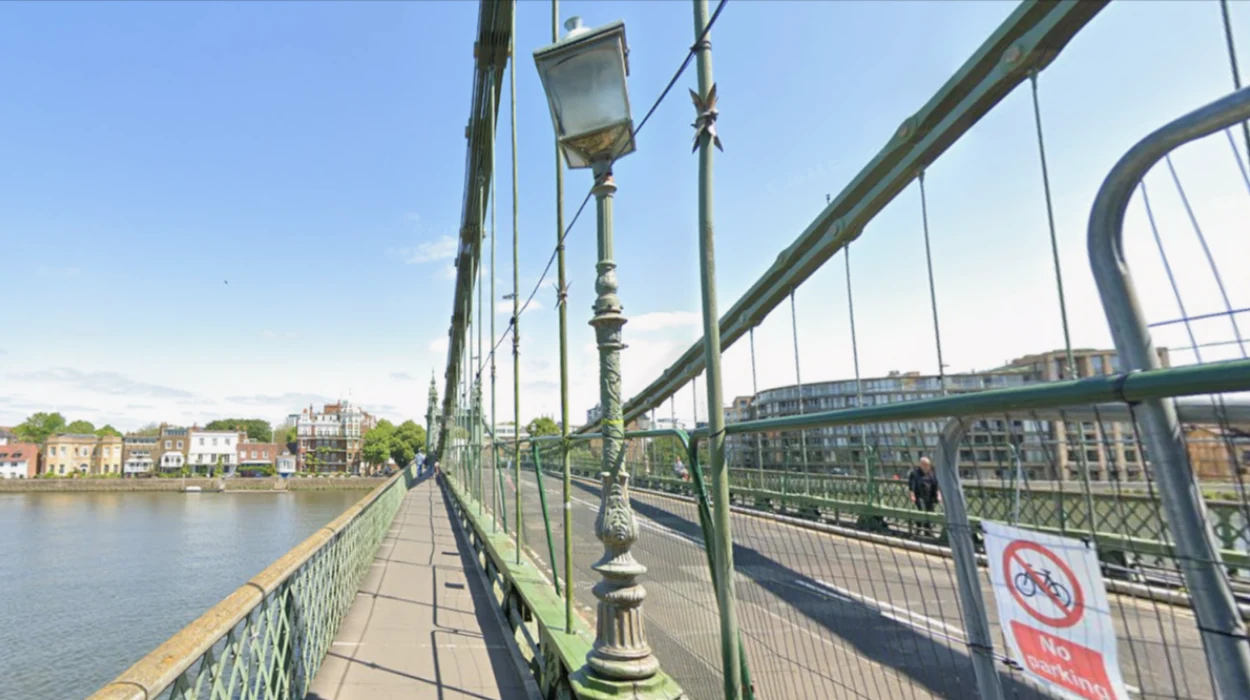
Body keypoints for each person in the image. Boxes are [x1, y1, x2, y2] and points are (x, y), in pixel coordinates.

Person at [908, 457, 941, 536]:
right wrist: (912, 495)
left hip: (929, 496)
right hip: (919, 496)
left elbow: (936, 485)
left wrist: (938, 495)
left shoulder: (931, 473)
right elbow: (911, 485)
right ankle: (920, 529)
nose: (927, 466)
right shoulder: (914, 473)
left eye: (928, 465)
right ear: (921, 464)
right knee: (922, 512)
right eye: (925, 465)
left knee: (930, 513)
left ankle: (927, 531)